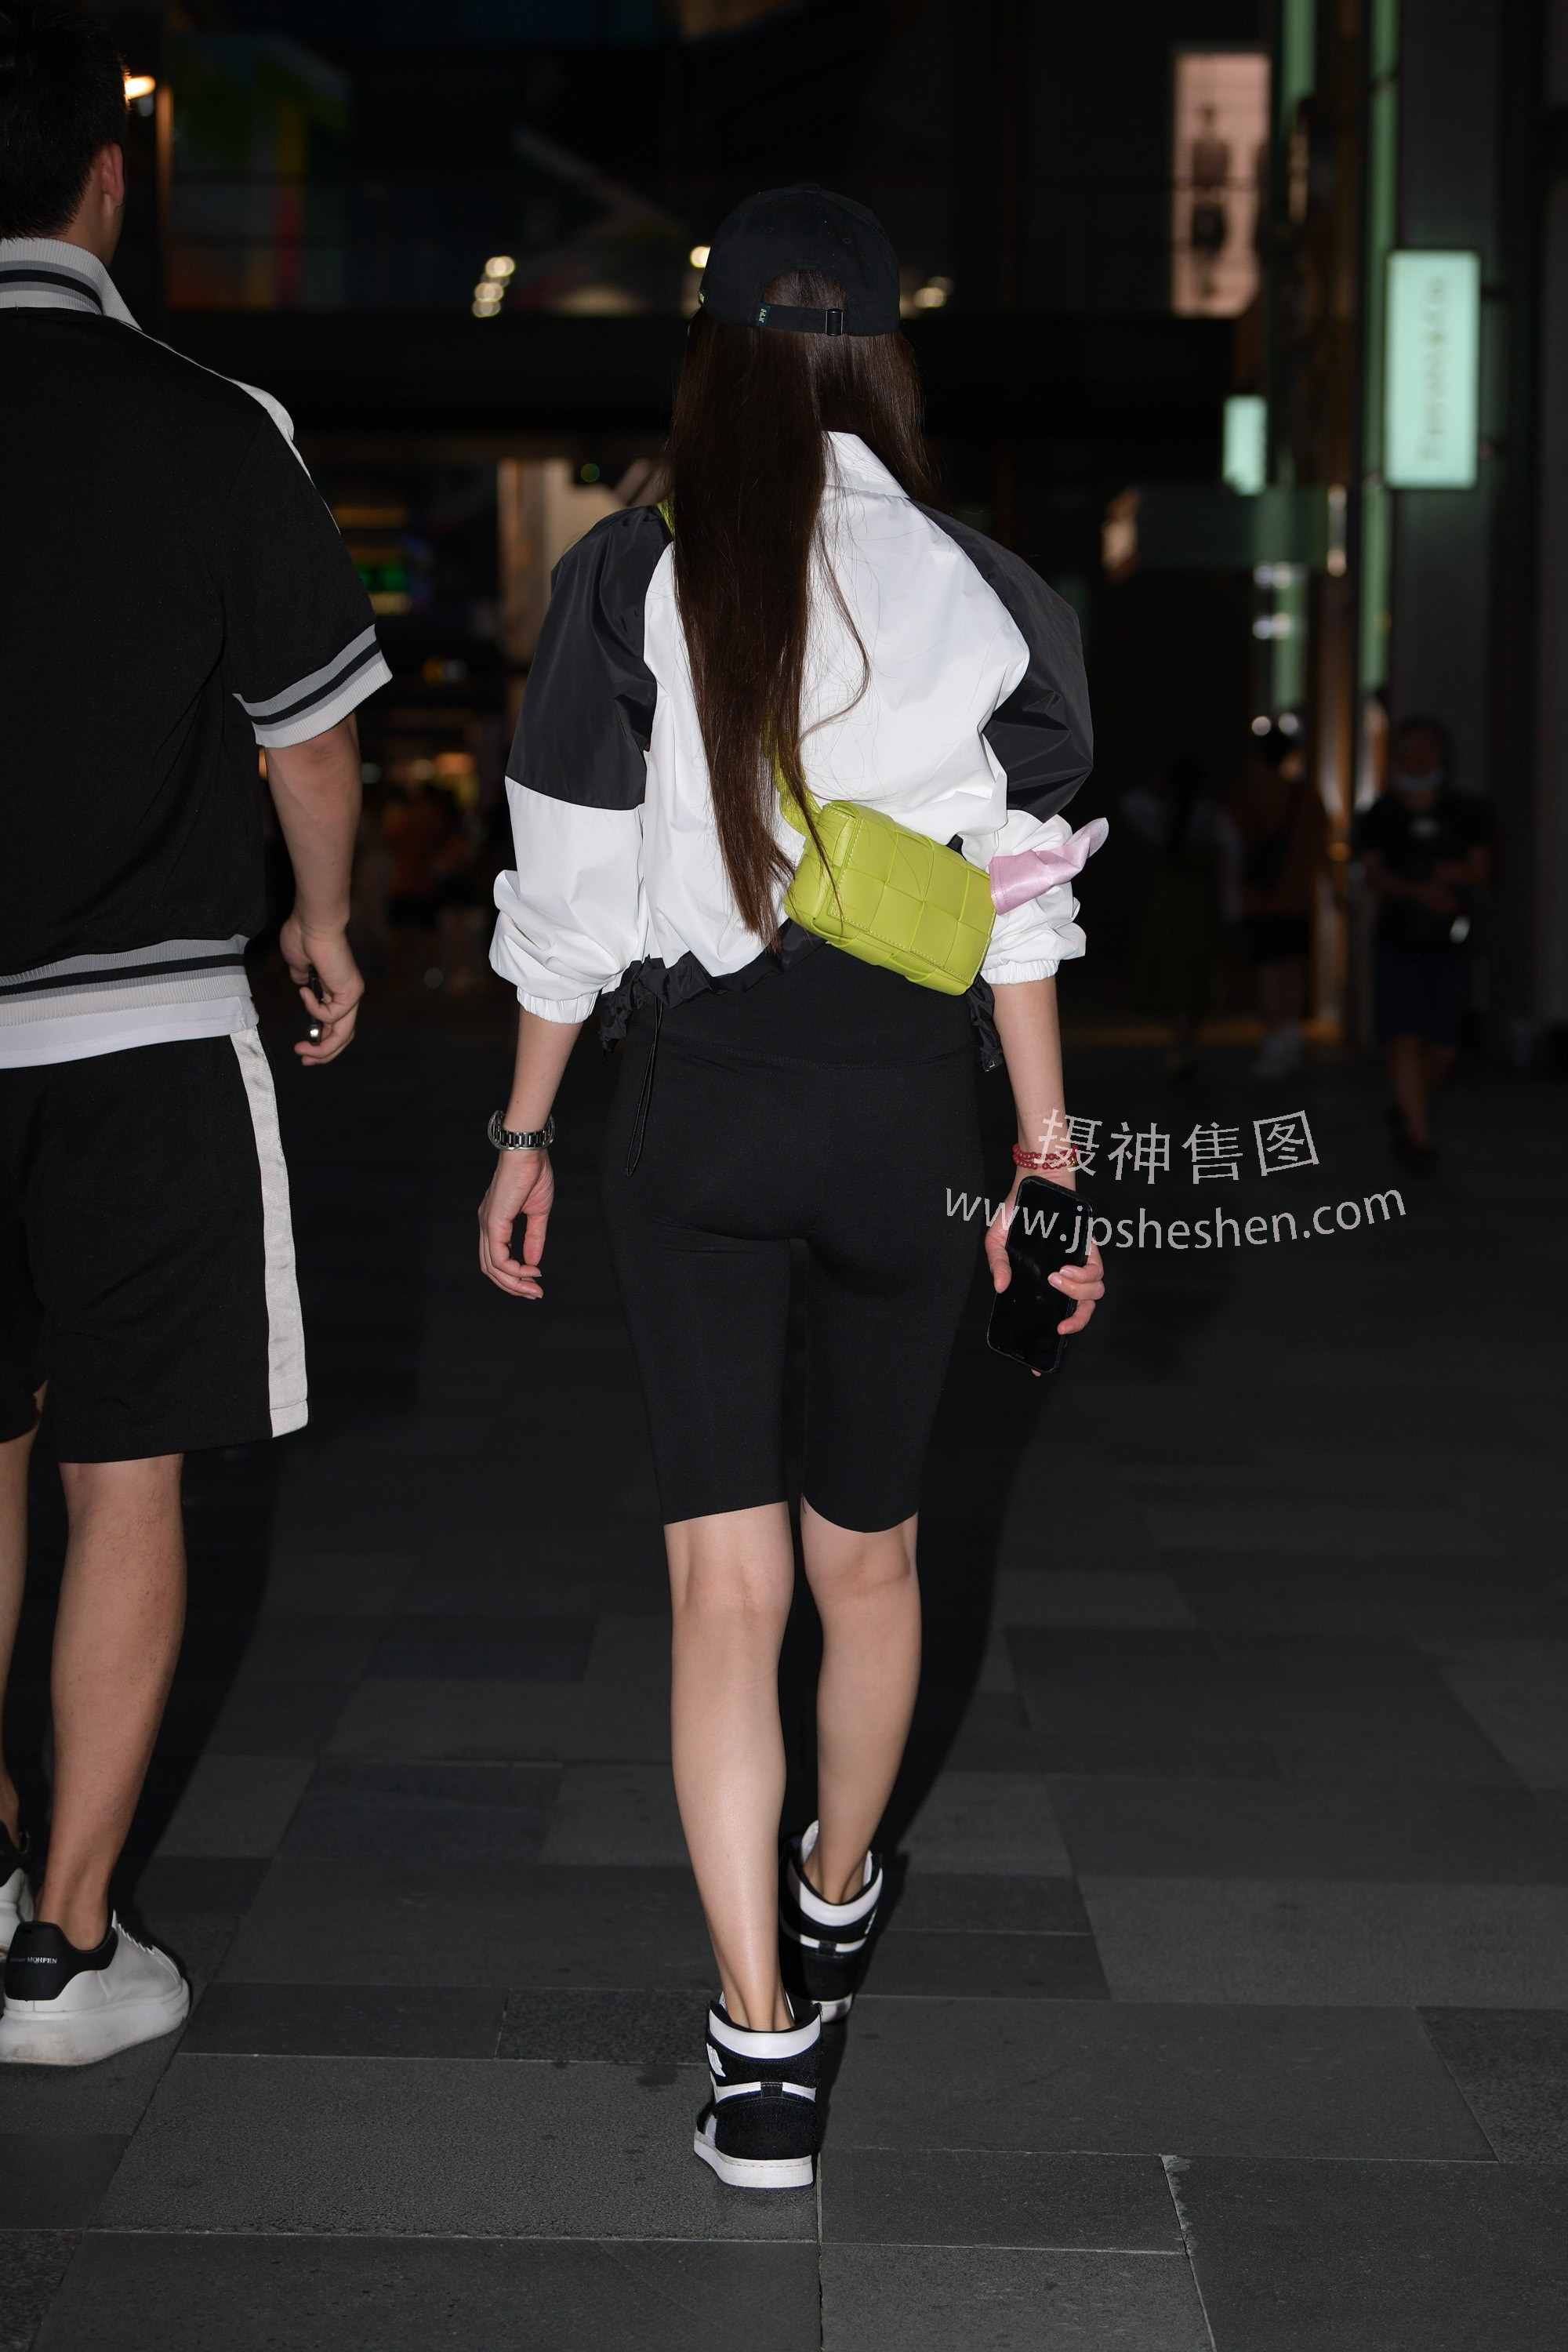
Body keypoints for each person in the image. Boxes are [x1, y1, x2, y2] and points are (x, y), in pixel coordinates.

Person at [478, 187, 1105, 2190]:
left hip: (701, 1116)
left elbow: (567, 906)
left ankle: (761, 2045)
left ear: (710, 355)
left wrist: (521, 1136)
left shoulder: (628, 576)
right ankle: (839, 1883)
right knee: (872, 1560)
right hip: (906, 1118)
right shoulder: (988, 589)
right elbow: (1020, 907)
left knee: (721, 1587)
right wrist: (1047, 1167)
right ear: (881, 360)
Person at [0, 4, 389, 2061]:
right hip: (141, 1031)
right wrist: (321, 918)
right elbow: (309, 735)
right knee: (124, 1474)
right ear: (107, 176)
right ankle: (65, 1950)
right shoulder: (211, 423)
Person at [1352, 714, 1493, 1172]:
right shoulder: (1380, 814)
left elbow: (1482, 868)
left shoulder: (1466, 811)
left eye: (1426, 749)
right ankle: (1418, 1137)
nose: (1417, 759)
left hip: (1449, 939)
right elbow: (1372, 874)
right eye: (1408, 750)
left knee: (1444, 1046)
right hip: (1398, 937)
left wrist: (1449, 877)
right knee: (1404, 1035)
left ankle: (1407, 1104)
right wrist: (1416, 891)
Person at [1119, 753, 1242, 1080]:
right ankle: (1185, 1043)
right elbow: (1231, 858)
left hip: (1175, 904)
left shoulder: (1168, 816)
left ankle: (1180, 1044)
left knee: (1178, 974)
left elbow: (1131, 804)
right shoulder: (1208, 818)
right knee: (1191, 976)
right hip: (1193, 906)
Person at [1231, 717, 1328, 1080]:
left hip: (1262, 898)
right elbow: (1320, 847)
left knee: (1270, 972)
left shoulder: (1249, 795)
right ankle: (1289, 1038)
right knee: (1292, 970)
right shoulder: (1307, 796)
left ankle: (1276, 1042)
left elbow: (1233, 844)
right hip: (1298, 897)